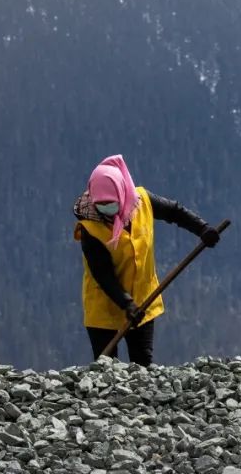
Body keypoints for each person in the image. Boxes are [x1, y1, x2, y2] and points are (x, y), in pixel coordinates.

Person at [73, 154, 219, 365]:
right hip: (104, 308)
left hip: (143, 301)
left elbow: (174, 212)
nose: (106, 208)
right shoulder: (90, 228)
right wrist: (126, 303)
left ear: (122, 194)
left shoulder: (142, 201)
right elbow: (102, 274)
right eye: (101, 204)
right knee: (106, 370)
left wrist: (202, 228)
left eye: (111, 203)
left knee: (143, 365)